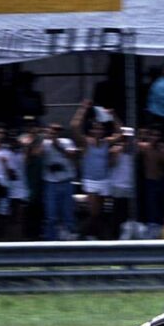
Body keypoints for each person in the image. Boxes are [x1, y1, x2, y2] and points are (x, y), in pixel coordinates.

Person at [71, 100, 118, 240]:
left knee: (100, 212)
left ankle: (95, 236)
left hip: (104, 180)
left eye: (100, 129)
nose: (98, 131)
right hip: (90, 181)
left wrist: (113, 115)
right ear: (91, 130)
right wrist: (83, 109)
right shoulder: (86, 143)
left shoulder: (106, 142)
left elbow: (120, 132)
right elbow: (74, 127)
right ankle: (79, 235)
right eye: (95, 128)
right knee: (94, 213)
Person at [40, 123, 78, 240]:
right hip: (50, 183)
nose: (54, 133)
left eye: (56, 131)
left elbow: (72, 155)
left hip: (66, 182)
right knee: (51, 216)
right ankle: (50, 241)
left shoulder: (67, 142)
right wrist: (44, 138)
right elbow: (37, 154)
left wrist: (57, 145)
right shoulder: (45, 143)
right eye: (52, 131)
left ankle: (69, 240)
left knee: (68, 214)